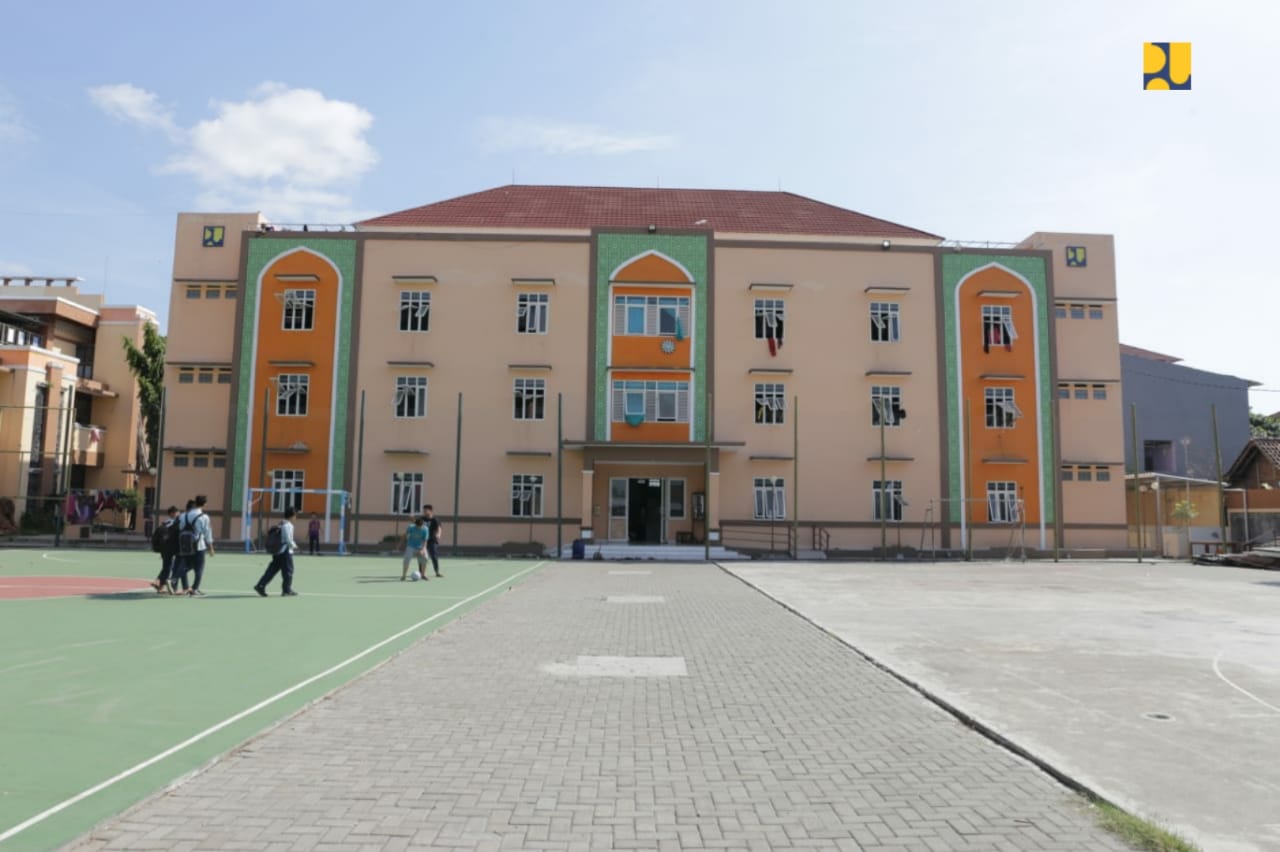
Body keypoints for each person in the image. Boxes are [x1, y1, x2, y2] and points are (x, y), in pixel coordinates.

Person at [254, 506, 299, 596]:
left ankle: (261, 585)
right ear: (292, 516)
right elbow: (288, 539)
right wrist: (294, 546)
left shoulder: (281, 523)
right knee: (288, 571)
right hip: (285, 552)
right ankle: (286, 589)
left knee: (272, 570)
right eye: (295, 516)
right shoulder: (288, 525)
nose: (296, 518)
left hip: (278, 551)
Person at [178, 495, 215, 597]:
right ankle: (195, 589)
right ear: (204, 504)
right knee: (199, 568)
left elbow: (180, 527)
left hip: (185, 544)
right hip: (198, 545)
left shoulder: (184, 515)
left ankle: (176, 580)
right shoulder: (204, 517)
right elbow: (207, 533)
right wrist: (211, 547)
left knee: (185, 565)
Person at [149, 506, 180, 594]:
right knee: (169, 567)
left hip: (163, 548)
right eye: (177, 512)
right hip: (170, 547)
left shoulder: (165, 523)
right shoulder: (174, 523)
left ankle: (158, 582)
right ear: (172, 513)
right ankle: (162, 586)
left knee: (167, 566)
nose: (178, 514)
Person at [170, 499, 197, 593]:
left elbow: (174, 529)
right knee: (193, 564)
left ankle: (179, 587)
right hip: (189, 544)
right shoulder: (193, 516)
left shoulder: (180, 516)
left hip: (178, 543)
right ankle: (174, 578)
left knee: (180, 564)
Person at [401, 515, 429, 581]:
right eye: (418, 526)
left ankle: (423, 575)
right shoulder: (411, 527)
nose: (419, 527)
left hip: (421, 547)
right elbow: (405, 535)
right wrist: (400, 544)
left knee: (425, 558)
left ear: (422, 525)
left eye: (420, 526)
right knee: (406, 560)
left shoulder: (425, 529)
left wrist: (423, 549)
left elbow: (425, 540)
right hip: (411, 546)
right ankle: (403, 576)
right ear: (415, 524)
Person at [424, 504, 443, 578]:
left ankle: (437, 572)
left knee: (434, 556)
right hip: (424, 541)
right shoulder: (422, 519)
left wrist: (438, 534)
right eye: (424, 511)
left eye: (426, 510)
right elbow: (416, 525)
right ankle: (422, 573)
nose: (424, 512)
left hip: (432, 540)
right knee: (422, 557)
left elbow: (439, 528)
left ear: (431, 511)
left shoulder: (435, 519)